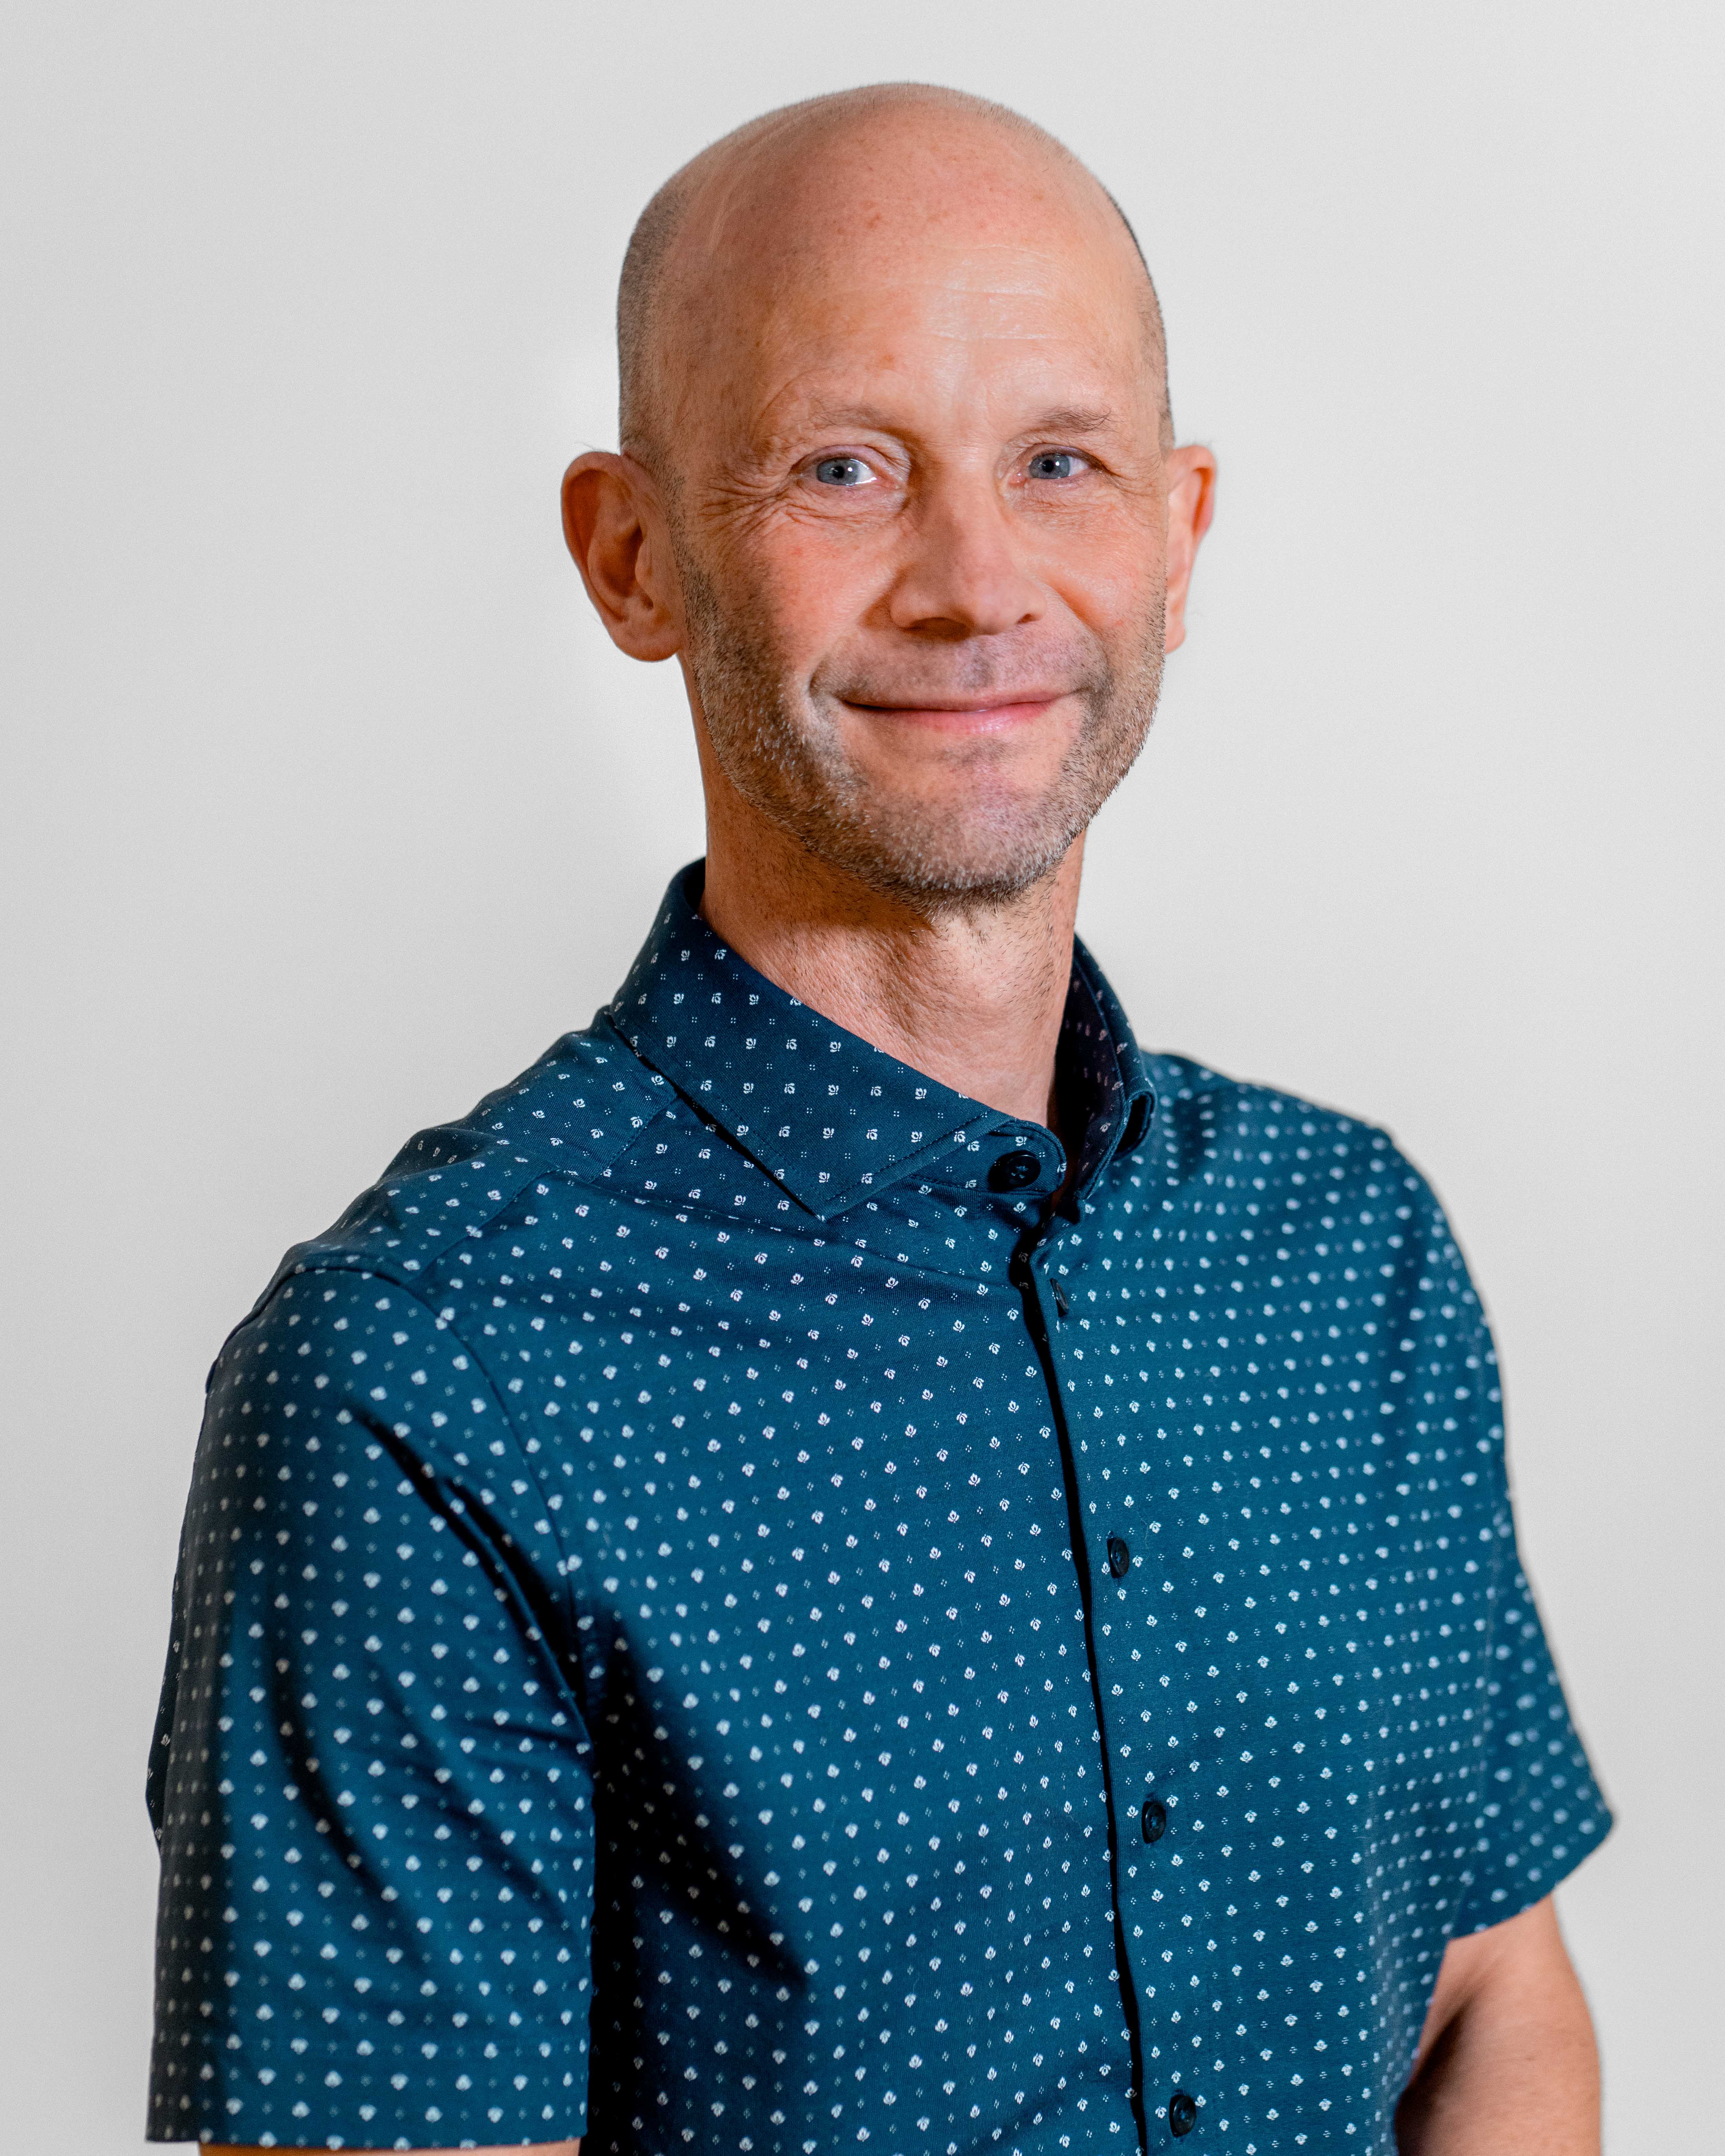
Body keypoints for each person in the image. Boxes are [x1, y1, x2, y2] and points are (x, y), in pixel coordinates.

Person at [148, 83, 1610, 2156]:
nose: (975, 579)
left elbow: (1495, 2001)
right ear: (632, 554)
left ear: (1179, 538)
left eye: (1060, 464)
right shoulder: (419, 1385)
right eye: (845, 467)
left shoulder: (1347, 1249)